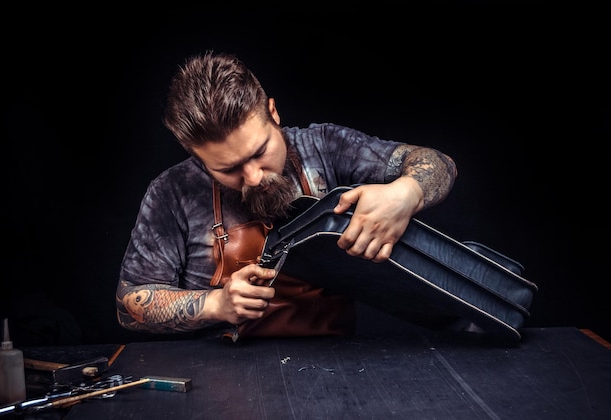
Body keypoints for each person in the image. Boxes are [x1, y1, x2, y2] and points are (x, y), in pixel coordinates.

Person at [115, 51, 458, 338]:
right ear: (195, 155)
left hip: (334, 364)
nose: (253, 176)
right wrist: (216, 305)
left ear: (273, 113)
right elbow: (129, 305)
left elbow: (439, 164)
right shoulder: (172, 191)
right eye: (227, 169)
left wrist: (406, 192)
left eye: (259, 151)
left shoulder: (325, 147)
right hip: (218, 378)